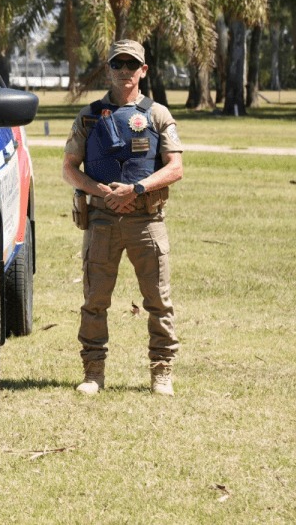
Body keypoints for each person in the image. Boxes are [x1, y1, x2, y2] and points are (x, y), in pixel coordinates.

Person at [61, 39, 184, 396]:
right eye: (118, 64)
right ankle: (93, 373)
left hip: (147, 221)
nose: (125, 71)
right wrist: (104, 192)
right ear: (109, 70)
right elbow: (69, 169)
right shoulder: (88, 116)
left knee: (158, 300)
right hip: (102, 220)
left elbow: (175, 167)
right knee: (95, 300)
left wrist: (136, 189)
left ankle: (162, 372)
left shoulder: (158, 115)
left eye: (132, 64)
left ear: (143, 70)